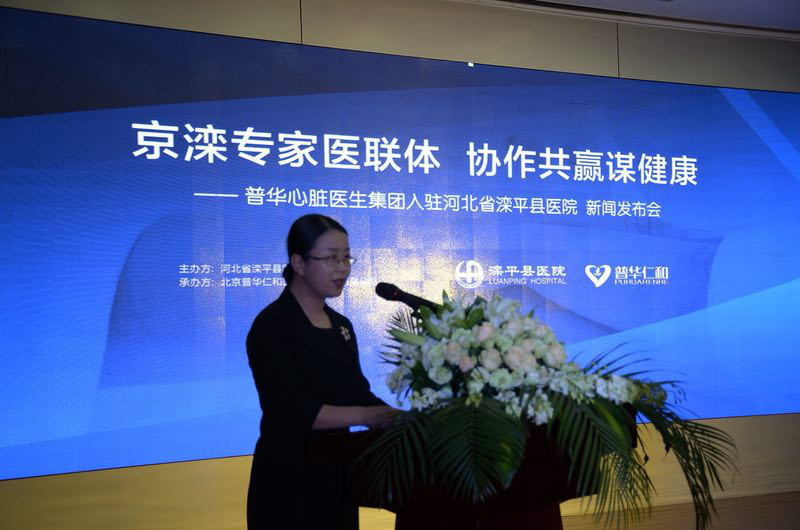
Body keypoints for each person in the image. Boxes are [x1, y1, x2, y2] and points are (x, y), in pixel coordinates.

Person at [246, 214, 396, 530]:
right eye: (331, 258)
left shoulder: (341, 326)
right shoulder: (272, 325)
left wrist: (400, 419)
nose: (343, 268)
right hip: (288, 481)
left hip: (337, 476)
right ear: (299, 263)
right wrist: (368, 417)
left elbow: (357, 393)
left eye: (346, 257)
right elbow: (293, 410)